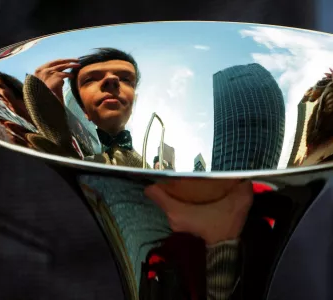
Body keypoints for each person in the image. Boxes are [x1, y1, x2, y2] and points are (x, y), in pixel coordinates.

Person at [29, 48, 253, 299]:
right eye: (91, 79)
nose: (111, 81)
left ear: (134, 99)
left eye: (125, 79)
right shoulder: (82, 155)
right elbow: (59, 142)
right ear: (84, 112)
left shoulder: (151, 161)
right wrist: (43, 98)